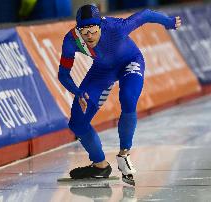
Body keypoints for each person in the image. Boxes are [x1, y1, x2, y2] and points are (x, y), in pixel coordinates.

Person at [58, 4, 181, 183]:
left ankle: (124, 154)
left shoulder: (116, 28)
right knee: (77, 123)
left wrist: (168, 22)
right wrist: (77, 92)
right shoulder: (71, 40)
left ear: (100, 25)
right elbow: (63, 74)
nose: (89, 35)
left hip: (129, 62)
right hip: (103, 70)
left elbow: (145, 15)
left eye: (93, 29)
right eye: (84, 31)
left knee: (128, 98)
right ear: (78, 30)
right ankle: (100, 165)